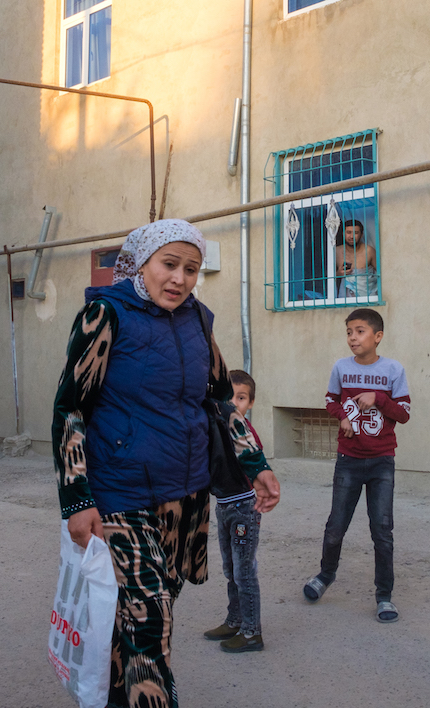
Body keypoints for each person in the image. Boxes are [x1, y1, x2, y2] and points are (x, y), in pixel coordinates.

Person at [51, 219, 281, 707]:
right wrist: (76, 499)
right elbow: (70, 407)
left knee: (142, 614)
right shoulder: (105, 315)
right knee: (151, 618)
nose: (179, 278)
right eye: (169, 264)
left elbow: (221, 399)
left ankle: (117, 697)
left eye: (191, 269)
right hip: (120, 494)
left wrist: (255, 463)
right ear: (142, 263)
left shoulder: (199, 320)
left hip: (185, 495)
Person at [303, 308, 410, 623]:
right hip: (348, 460)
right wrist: (344, 418)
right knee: (336, 526)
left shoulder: (393, 369)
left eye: (360, 331)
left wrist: (377, 397)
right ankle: (325, 576)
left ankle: (384, 596)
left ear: (377, 336)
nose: (353, 337)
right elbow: (329, 401)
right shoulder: (340, 367)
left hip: (381, 462)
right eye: (349, 331)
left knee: (382, 531)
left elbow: (403, 413)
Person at [202, 369, 270, 653]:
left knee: (244, 571)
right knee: (231, 568)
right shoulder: (220, 425)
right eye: (229, 398)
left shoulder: (244, 431)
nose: (234, 404)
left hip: (244, 507)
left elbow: (252, 460)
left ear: (250, 403)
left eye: (241, 398)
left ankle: (252, 632)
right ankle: (235, 620)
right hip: (225, 505)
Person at [336, 219, 377, 298]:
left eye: (356, 233)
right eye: (348, 232)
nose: (351, 236)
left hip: (367, 297)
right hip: (344, 299)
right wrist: (338, 274)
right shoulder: (336, 252)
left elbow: (381, 273)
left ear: (361, 235)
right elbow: (327, 276)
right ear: (343, 234)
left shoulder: (369, 251)